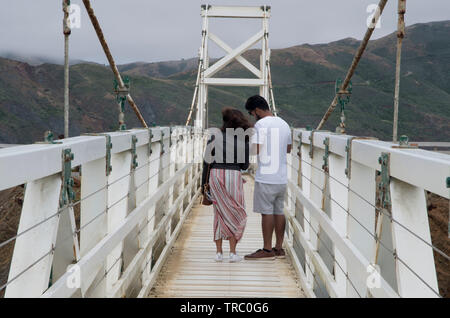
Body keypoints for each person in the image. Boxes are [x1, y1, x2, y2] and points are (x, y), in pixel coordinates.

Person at [244, 95, 292, 260]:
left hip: (266, 176)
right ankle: (279, 248)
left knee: (266, 212)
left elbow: (255, 150)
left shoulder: (261, 124)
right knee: (279, 211)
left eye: (251, 113)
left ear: (256, 110)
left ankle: (267, 249)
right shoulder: (284, 123)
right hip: (281, 177)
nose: (252, 116)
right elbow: (289, 149)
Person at [201, 107, 252, 263]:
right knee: (236, 212)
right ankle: (232, 253)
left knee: (219, 213)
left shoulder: (214, 137)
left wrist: (203, 185)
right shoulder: (243, 139)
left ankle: (218, 253)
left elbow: (206, 163)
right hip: (233, 176)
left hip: (215, 176)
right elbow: (244, 166)